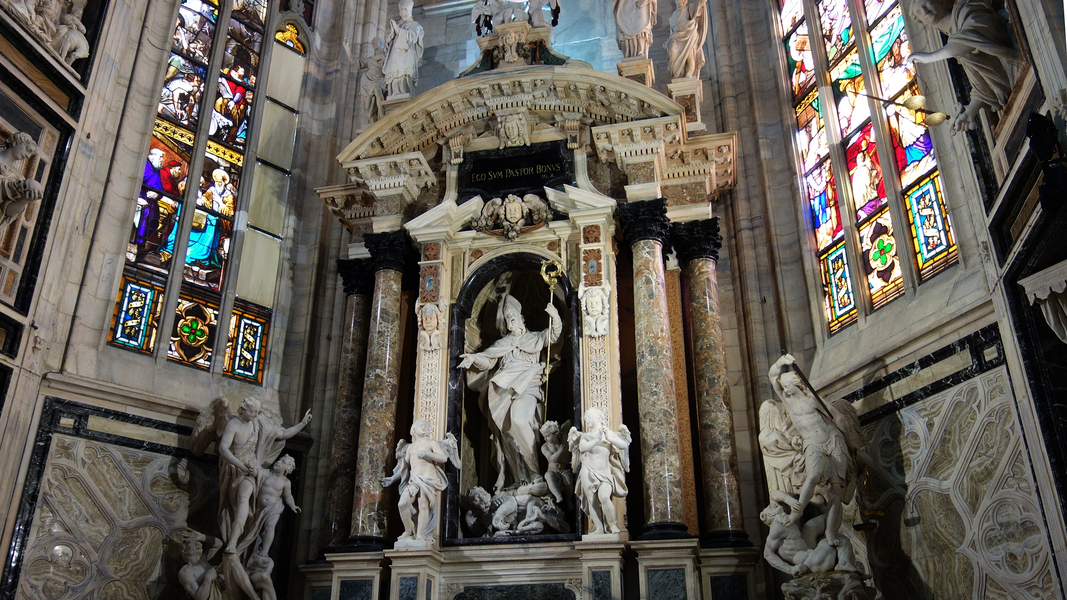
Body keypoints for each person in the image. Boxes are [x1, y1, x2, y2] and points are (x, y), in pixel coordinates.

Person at [459, 294, 562, 492]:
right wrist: (474, 358)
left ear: (522, 318)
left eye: (514, 316)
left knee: (519, 421)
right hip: (503, 389)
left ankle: (534, 472)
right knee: (506, 432)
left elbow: (554, 336)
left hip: (528, 385)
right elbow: (487, 360)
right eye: (508, 318)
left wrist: (555, 316)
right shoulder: (503, 343)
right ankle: (519, 477)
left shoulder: (534, 338)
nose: (511, 320)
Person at [768, 354, 856, 546]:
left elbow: (838, 418)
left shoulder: (812, 398)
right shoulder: (787, 400)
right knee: (813, 476)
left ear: (796, 384)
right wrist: (781, 363)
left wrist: (851, 443)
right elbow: (771, 376)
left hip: (833, 440)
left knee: (835, 490)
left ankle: (830, 532)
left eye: (787, 385)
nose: (785, 389)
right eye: (783, 386)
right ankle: (796, 513)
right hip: (813, 445)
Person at [907, 0, 1021, 132]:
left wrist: (931, 57)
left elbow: (973, 36)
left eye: (927, 4)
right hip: (1015, 88)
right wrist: (969, 113)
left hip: (1020, 61)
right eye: (919, 12)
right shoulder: (955, 44)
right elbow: (983, 88)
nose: (925, 11)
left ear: (941, 2)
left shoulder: (965, 11)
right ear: (922, 21)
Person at [217, 397, 311, 555]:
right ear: (243, 410)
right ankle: (233, 541)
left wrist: (302, 424)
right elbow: (223, 449)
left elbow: (283, 434)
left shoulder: (258, 424)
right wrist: (241, 466)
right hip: (234, 467)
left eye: (256, 412)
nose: (255, 415)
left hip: (251, 469)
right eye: (252, 412)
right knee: (234, 505)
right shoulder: (233, 424)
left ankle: (233, 542)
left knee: (244, 498)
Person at [380, 419, 459, 543]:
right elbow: (404, 469)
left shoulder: (431, 443)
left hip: (427, 479)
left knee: (423, 505)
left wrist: (428, 454)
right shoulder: (410, 447)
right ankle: (408, 530)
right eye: (421, 425)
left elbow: (443, 458)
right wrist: (392, 479)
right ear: (413, 430)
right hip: (414, 480)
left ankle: (420, 535)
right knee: (402, 504)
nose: (424, 427)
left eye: (426, 426)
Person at [568, 408, 631, 534]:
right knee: (592, 500)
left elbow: (623, 445)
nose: (587, 420)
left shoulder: (607, 433)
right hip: (588, 469)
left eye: (589, 417)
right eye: (586, 418)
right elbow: (582, 448)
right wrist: (597, 439)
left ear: (598, 418)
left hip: (604, 471)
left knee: (604, 496)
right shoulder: (585, 436)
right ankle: (598, 527)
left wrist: (609, 438)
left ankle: (612, 525)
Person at [760, 501, 859, 576]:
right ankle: (844, 564)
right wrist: (791, 569)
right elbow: (767, 554)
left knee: (840, 538)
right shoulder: (776, 527)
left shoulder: (786, 522)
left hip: (812, 556)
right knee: (835, 541)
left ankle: (844, 564)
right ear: (769, 515)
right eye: (769, 508)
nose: (772, 505)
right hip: (809, 564)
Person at [0, 132, 43, 230]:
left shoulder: (19, 180)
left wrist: (25, 200)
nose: (28, 156)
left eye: (30, 154)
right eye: (28, 149)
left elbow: (7, 211)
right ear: (15, 143)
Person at [383, 0, 424, 99]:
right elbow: (388, 45)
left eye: (405, 9)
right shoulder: (398, 25)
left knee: (403, 75)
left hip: (406, 56)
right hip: (394, 57)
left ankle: (403, 92)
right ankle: (394, 93)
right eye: (401, 10)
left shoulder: (415, 25)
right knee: (394, 75)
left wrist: (398, 31)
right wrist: (390, 37)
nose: (403, 12)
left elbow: (412, 38)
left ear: (410, 11)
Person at [665, 0, 707, 79]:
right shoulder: (673, 16)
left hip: (689, 35)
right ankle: (677, 72)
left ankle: (688, 74)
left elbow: (701, 2)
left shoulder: (689, 9)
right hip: (676, 37)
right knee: (671, 51)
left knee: (690, 57)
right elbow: (672, 31)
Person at [177, 532, 224, 600]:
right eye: (193, 542)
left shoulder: (204, 558)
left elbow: (219, 544)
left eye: (199, 541)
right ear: (184, 550)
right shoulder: (185, 572)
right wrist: (208, 579)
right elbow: (200, 598)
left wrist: (201, 537)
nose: (199, 544)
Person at [540, 421, 572, 507]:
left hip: (564, 470)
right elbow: (552, 459)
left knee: (568, 484)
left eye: (547, 436)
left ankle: (568, 500)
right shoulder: (545, 447)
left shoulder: (563, 439)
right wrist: (561, 450)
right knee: (549, 477)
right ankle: (558, 496)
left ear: (555, 434)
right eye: (544, 436)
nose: (545, 439)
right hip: (552, 471)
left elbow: (567, 425)